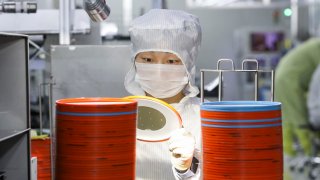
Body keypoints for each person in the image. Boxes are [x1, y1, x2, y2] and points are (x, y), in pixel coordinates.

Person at [124, 9, 202, 180]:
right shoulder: (120, 117)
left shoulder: (207, 119)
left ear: (188, 63)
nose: (159, 70)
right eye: (148, 60)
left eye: (171, 61)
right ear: (134, 60)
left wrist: (187, 169)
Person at [274, 38, 320, 179]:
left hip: (287, 80)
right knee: (300, 130)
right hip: (290, 84)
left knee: (291, 127)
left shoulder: (314, 45)